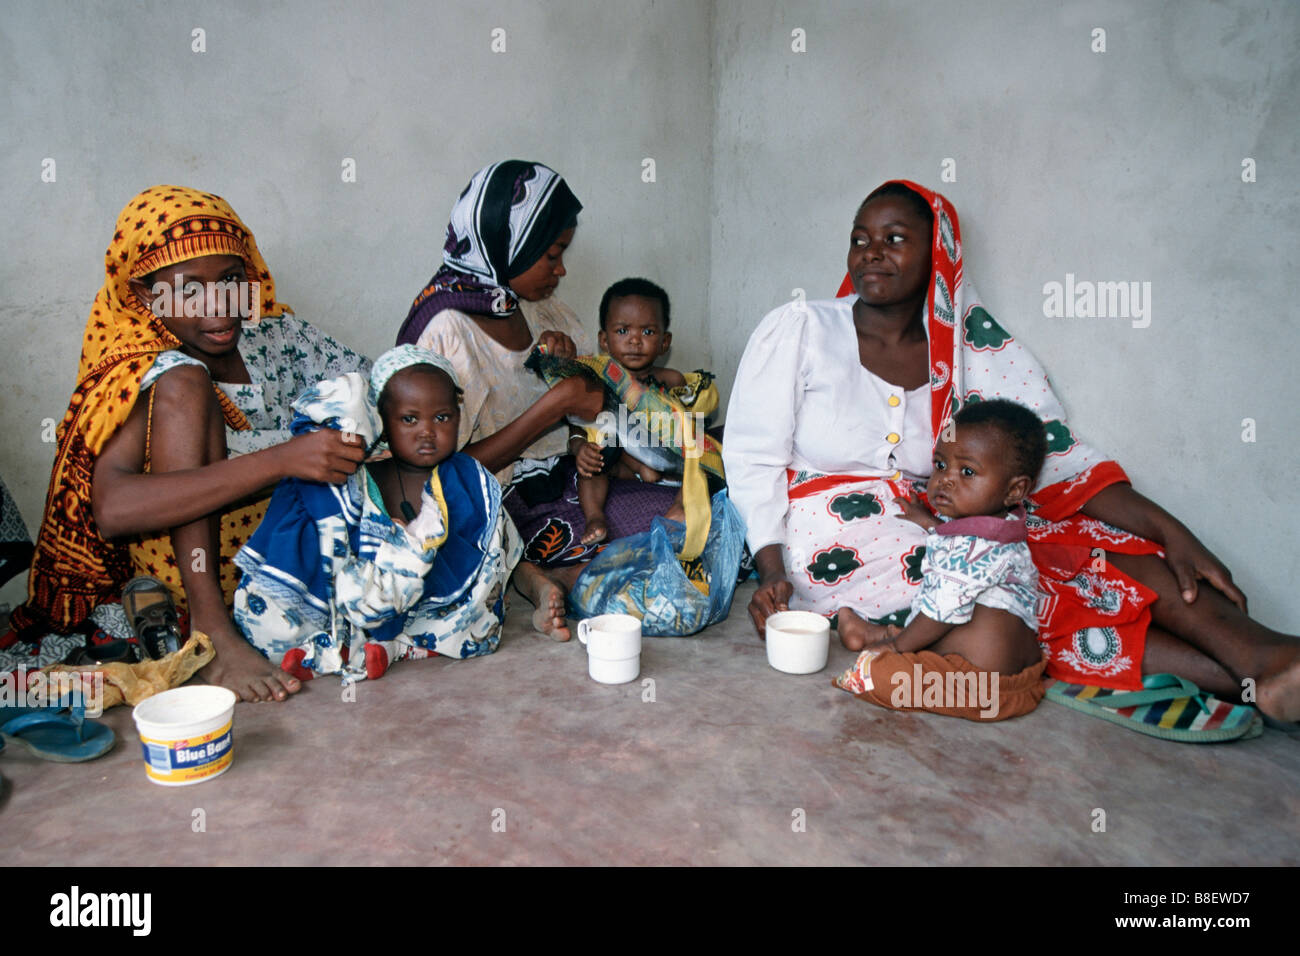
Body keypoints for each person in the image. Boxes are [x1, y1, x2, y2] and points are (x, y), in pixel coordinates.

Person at [725, 179, 1300, 725]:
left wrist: (1173, 531)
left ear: (938, 254)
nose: (872, 252)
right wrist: (770, 569)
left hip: (945, 519)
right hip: (831, 538)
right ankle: (1243, 679)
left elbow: (1049, 458)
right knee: (1009, 584)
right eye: (860, 238)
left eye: (895, 238)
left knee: (1102, 548)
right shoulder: (801, 329)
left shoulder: (966, 347)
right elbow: (753, 459)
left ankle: (1269, 657)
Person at [6, 185, 370, 702]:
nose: (218, 306)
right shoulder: (150, 369)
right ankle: (210, 630)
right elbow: (113, 510)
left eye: (231, 280)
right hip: (197, 570)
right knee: (187, 378)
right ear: (144, 295)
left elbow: (375, 391)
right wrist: (284, 460)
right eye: (188, 289)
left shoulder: (277, 335)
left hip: (284, 548)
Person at [396, 160, 674, 640]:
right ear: (509, 248)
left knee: (702, 510)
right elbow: (434, 481)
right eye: (551, 254)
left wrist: (583, 406)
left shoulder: (548, 313)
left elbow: (594, 414)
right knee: (667, 548)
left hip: (577, 482)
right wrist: (552, 406)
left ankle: (559, 575)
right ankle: (544, 572)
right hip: (503, 506)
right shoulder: (447, 334)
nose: (562, 269)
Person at [233, 346, 522, 682]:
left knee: (476, 623)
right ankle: (329, 651)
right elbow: (338, 558)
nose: (427, 431)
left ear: (459, 416)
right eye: (409, 419)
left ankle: (401, 648)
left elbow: (497, 549)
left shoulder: (468, 478)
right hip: (359, 603)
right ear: (383, 422)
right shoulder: (352, 478)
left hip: (432, 610)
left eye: (442, 417)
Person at [833, 399, 1047, 720]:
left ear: (1015, 490)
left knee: (878, 675)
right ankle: (875, 633)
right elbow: (964, 549)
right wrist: (930, 524)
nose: (945, 479)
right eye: (941, 464)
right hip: (1026, 676)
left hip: (977, 687)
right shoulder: (1005, 530)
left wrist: (896, 649)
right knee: (940, 622)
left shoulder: (969, 550)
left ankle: (886, 639)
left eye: (968, 471)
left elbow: (940, 614)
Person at [572, 277, 688, 545]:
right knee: (594, 464)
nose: (635, 341)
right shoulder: (597, 380)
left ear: (665, 341)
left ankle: (681, 506)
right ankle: (594, 517)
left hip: (659, 453)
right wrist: (579, 449)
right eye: (623, 331)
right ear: (604, 339)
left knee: (701, 462)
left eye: (647, 332)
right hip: (618, 458)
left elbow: (683, 428)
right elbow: (579, 425)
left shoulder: (671, 380)